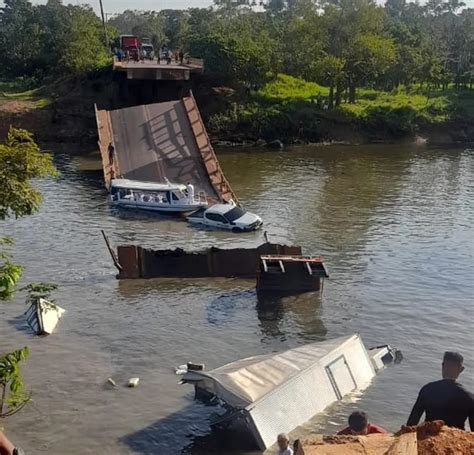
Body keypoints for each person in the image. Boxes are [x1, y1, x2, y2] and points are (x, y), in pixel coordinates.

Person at [406, 351, 474, 430]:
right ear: (461, 369)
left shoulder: (428, 389)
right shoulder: (469, 397)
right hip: (455, 439)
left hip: (428, 437)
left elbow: (411, 422)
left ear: (442, 366)